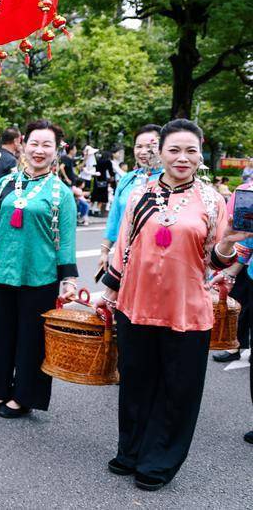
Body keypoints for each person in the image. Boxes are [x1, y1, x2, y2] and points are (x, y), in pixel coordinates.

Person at [97, 119, 248, 490]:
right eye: (174, 149)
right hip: (135, 305)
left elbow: (215, 260)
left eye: (191, 150)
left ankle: (159, 460)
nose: (182, 157)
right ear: (160, 152)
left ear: (201, 154)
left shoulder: (213, 200)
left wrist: (229, 242)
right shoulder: (139, 193)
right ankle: (130, 450)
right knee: (135, 382)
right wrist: (110, 294)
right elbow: (123, 248)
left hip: (187, 308)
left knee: (178, 389)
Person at [0, 120, 78, 418]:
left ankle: (23, 396)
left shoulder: (62, 194)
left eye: (47, 145)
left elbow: (67, 241)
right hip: (0, 271)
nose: (39, 150)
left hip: (40, 276)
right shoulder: (6, 182)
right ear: (24, 145)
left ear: (56, 151)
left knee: (31, 337)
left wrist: (69, 279)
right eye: (34, 143)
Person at [99, 125, 162, 273]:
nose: (143, 151)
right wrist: (104, 252)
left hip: (157, 260)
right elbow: (114, 218)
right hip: (123, 255)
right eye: (138, 146)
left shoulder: (170, 179)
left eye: (150, 146)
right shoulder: (127, 179)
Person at [211, 181, 253, 365]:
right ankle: (234, 345)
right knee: (242, 305)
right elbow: (246, 236)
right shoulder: (246, 190)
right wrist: (232, 270)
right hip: (244, 263)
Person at [91, 150, 116, 216]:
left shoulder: (98, 160)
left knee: (95, 194)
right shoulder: (108, 162)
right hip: (103, 179)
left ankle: (91, 209)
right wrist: (113, 176)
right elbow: (111, 171)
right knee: (102, 195)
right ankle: (98, 211)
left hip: (96, 178)